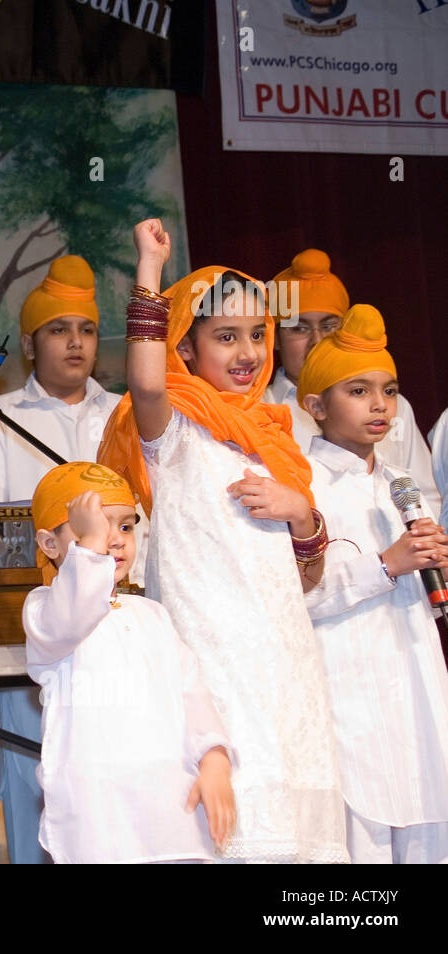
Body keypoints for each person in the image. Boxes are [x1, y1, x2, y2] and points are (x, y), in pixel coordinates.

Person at [97, 218, 347, 863]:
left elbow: (310, 578)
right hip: (211, 665)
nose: (249, 353)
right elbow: (145, 382)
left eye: (259, 335)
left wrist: (303, 517)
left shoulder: (276, 438)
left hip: (287, 666)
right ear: (185, 347)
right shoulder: (174, 427)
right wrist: (150, 269)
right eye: (226, 337)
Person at [0, 253, 131, 865]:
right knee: (33, 781)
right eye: (59, 330)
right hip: (33, 635)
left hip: (123, 631)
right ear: (30, 344)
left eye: (85, 329)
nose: (75, 343)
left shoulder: (124, 416)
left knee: (119, 783)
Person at [296, 304, 448, 864]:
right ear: (315, 405)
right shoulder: (300, 488)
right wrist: (384, 566)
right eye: (358, 390)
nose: (380, 404)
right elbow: (296, 600)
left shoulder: (401, 483)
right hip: (346, 693)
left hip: (417, 686)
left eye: (389, 389)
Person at [25, 462, 235, 863]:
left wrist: (215, 761)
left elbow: (193, 696)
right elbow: (72, 614)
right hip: (99, 813)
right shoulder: (45, 609)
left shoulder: (152, 615)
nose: (114, 541)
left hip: (172, 805)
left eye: (124, 526)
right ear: (50, 545)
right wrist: (90, 551)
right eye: (95, 528)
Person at [267, 248, 439, 516]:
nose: (317, 340)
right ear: (275, 338)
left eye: (328, 326)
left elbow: (428, 494)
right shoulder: (260, 408)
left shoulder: (395, 406)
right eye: (299, 328)